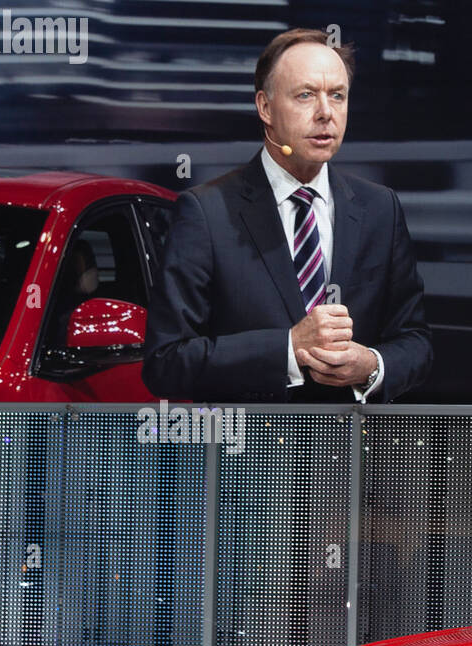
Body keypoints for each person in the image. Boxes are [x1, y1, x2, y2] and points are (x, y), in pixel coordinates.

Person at [143, 28, 433, 404]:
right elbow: (166, 363)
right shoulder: (206, 212)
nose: (326, 113)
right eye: (306, 95)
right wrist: (288, 349)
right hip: (248, 457)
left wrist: (372, 365)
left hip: (345, 457)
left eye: (337, 96)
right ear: (265, 107)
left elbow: (416, 342)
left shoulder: (381, 209)